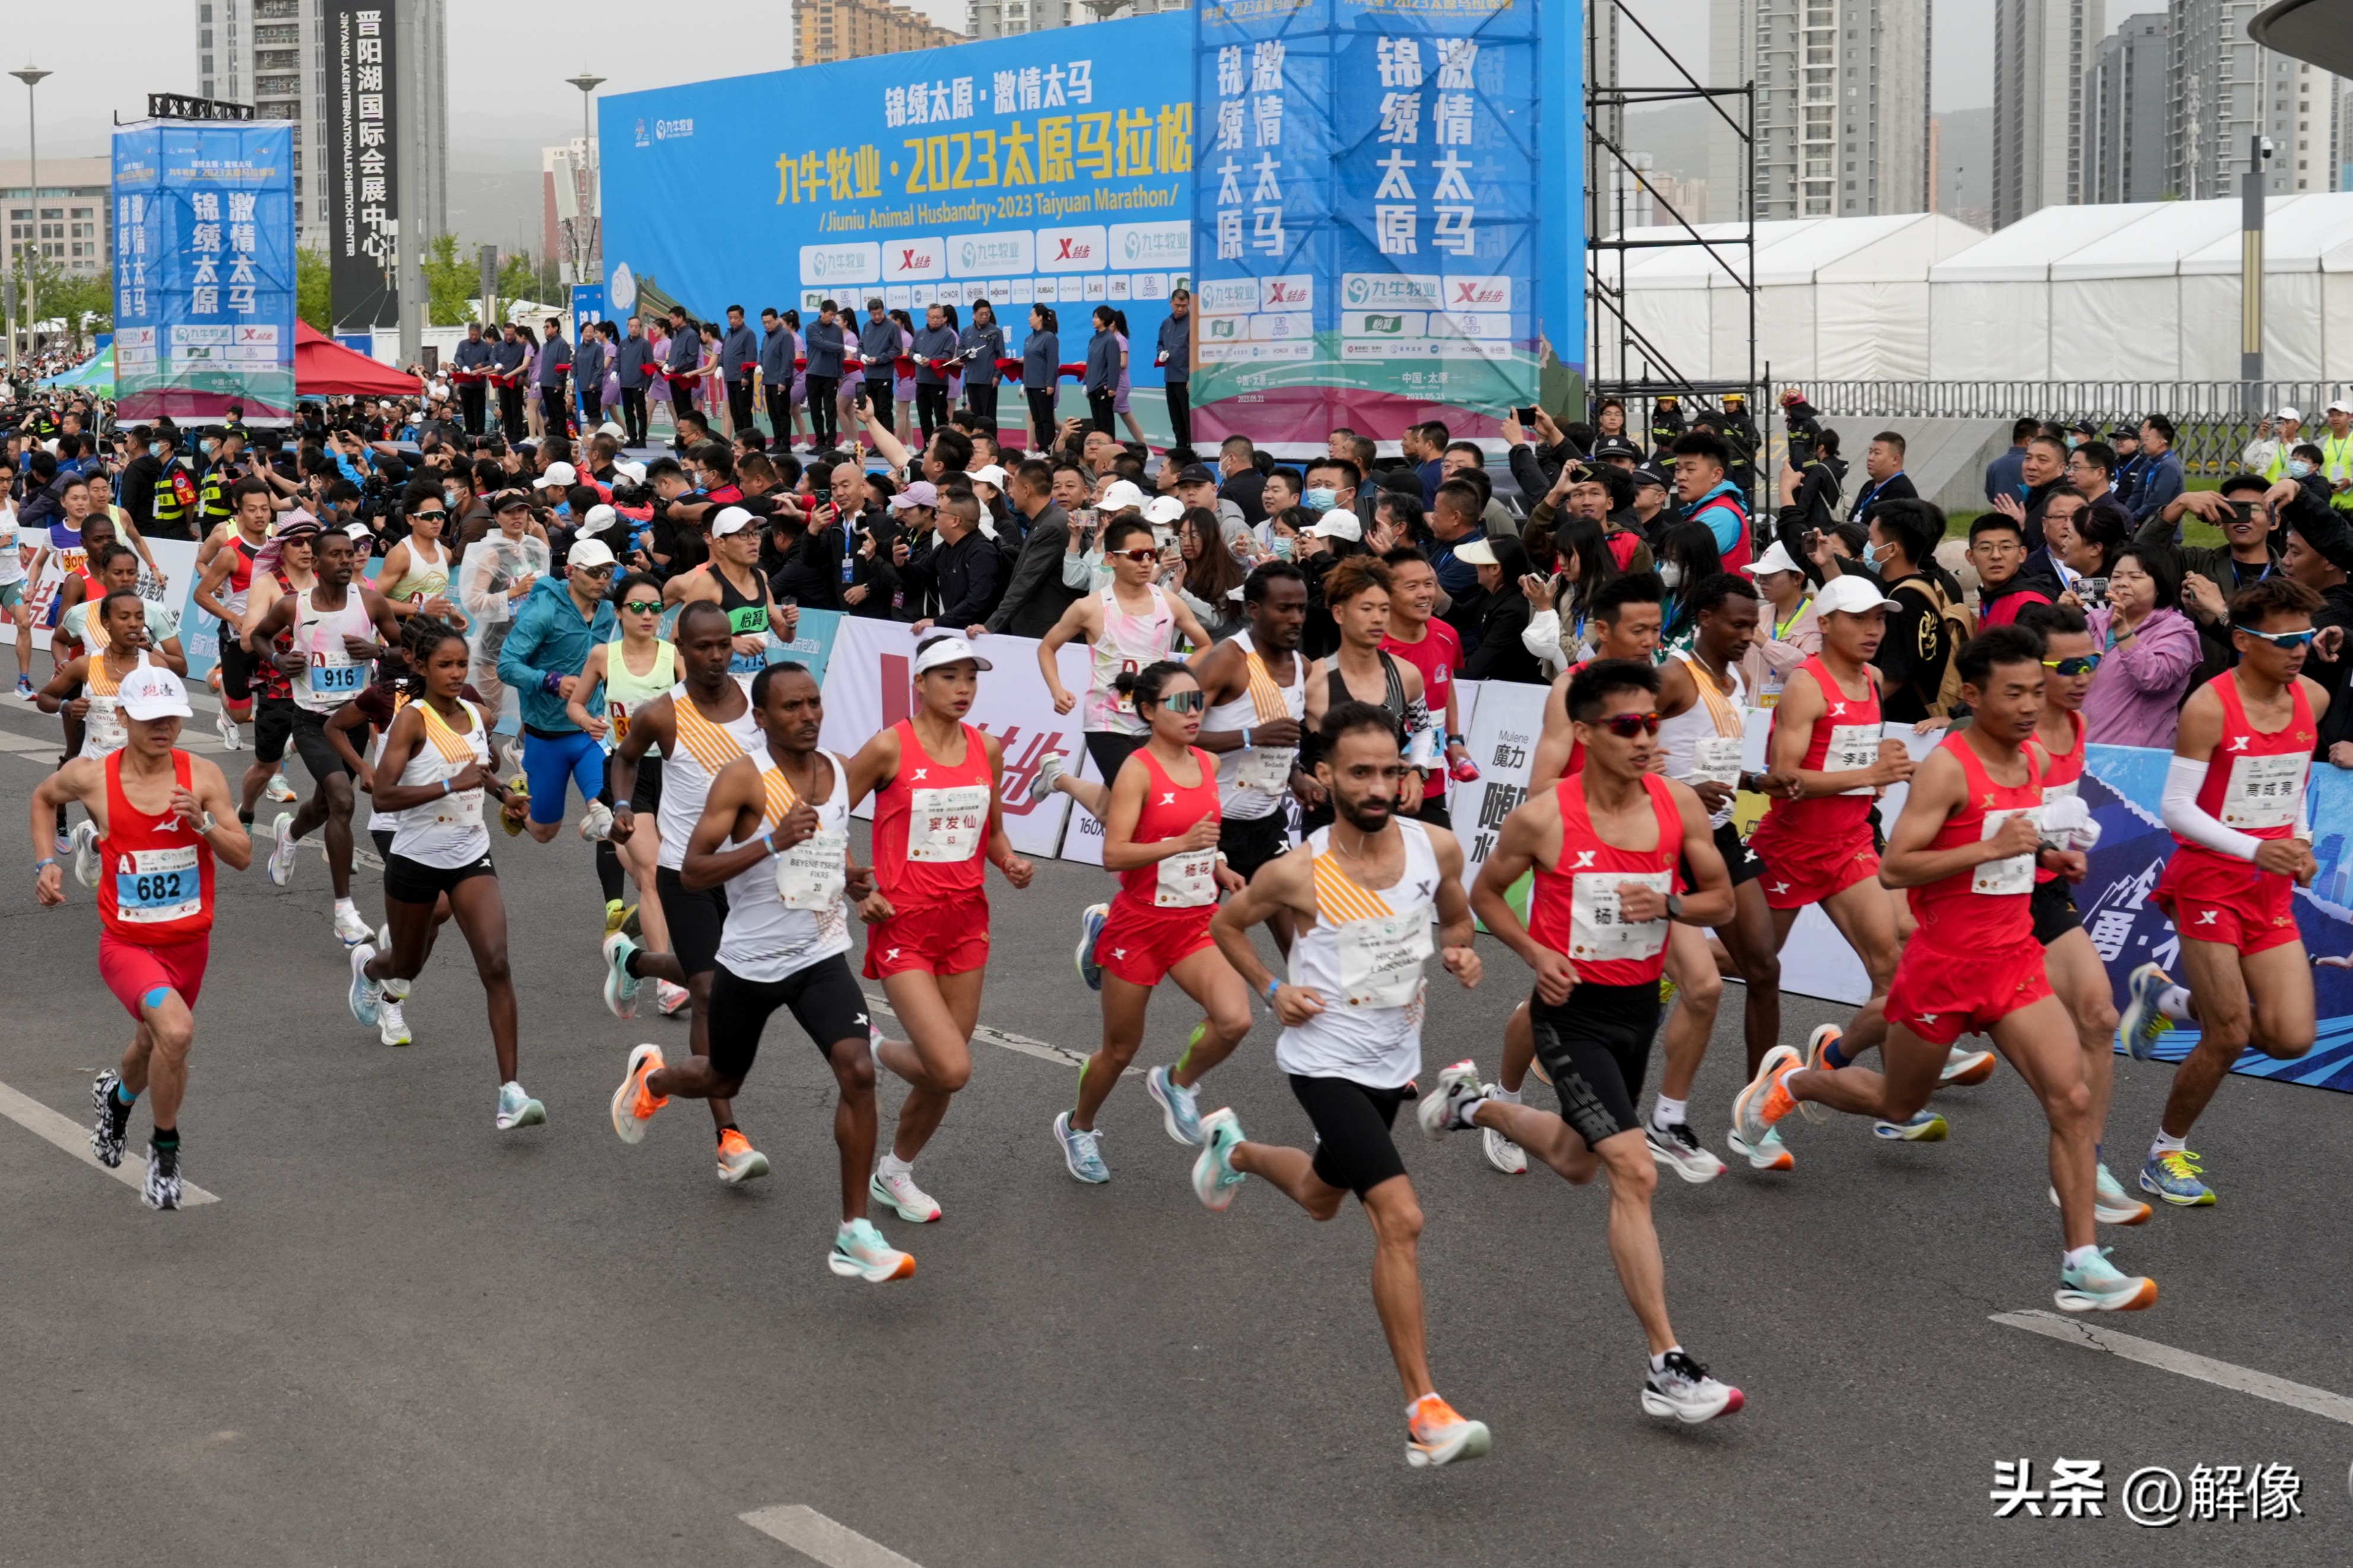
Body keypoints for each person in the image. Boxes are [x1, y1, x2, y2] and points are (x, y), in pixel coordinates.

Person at [1733, 628, 2160, 1315]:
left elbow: (2016, 846)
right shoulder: (1948, 768)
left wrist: (2050, 859)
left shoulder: (2028, 759)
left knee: (2070, 1100)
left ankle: (2080, 1262)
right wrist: (1989, 847)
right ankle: (1790, 1083)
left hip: (2013, 959)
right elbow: (1898, 867)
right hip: (1942, 969)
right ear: (1972, 695)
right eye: (2012, 692)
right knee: (1896, 1105)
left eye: (2033, 690)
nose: (2028, 706)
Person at [1442, 659, 1747, 1420]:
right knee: (1632, 1171)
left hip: (1636, 1007)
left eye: (1652, 723)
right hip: (1567, 1011)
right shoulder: (1545, 816)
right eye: (1626, 726)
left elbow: (1721, 903)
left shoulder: (1677, 806)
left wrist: (1672, 903)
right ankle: (1666, 1365)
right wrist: (1534, 953)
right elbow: (1485, 896)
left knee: (1579, 1163)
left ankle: (1473, 1106)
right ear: (1583, 733)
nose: (1646, 738)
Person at [1191, 701, 1492, 1468]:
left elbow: (1457, 921)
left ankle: (1238, 1149)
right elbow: (1229, 924)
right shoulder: (1298, 869)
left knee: (1325, 1197)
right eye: (1360, 771)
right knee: (1400, 1215)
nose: (1379, 784)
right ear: (1323, 776)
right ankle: (1424, 1407)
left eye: (1390, 768)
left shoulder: (1435, 848)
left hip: (1393, 1062)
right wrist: (1269, 988)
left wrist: (1460, 954)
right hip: (1320, 1057)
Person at [608, 661, 915, 1280]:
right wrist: (771, 842)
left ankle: (854, 1231)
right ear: (762, 717)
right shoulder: (742, 781)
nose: (807, 716)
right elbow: (691, 873)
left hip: (820, 954)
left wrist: (853, 884)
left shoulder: (833, 771)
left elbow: (827, 847)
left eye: (814, 703)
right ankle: (655, 1081)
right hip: (750, 964)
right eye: (791, 708)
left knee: (858, 1071)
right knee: (722, 1079)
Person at [1744, 573, 1989, 1153]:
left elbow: (1849, 751)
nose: (1873, 630)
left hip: (1847, 844)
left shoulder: (1873, 680)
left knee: (1894, 966)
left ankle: (1887, 1095)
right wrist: (1869, 774)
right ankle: (1675, 972)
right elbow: (1783, 783)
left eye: (1879, 619)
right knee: (1747, 961)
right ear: (1824, 625)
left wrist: (1879, 754)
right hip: (1791, 848)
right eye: (1858, 619)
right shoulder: (1806, 685)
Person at [2114, 576, 2329, 1207]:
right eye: (2285, 639)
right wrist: (2253, 847)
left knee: (2290, 1038)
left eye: (2305, 637)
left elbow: (2289, 784)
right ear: (2240, 640)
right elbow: (2175, 808)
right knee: (2230, 1033)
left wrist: (2301, 840)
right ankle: (2163, 1155)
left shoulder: (2310, 699)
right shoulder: (2209, 706)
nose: (2299, 650)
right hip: (2208, 880)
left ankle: (2164, 998)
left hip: (2267, 889)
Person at [32, 663, 252, 1209]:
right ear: (124, 716)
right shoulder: (93, 777)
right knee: (176, 1033)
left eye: (173, 717)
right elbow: (42, 798)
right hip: (127, 945)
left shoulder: (201, 776)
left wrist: (202, 824)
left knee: (153, 1044)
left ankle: (117, 1097)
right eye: (151, 718)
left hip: (189, 945)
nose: (164, 728)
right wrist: (45, 863)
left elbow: (243, 855)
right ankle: (165, 1153)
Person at [841, 635, 1036, 1223]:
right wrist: (859, 886)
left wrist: (1008, 862)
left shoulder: (988, 748)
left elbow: (992, 830)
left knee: (943, 1075)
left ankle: (894, 1171)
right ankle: (877, 1046)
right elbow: (821, 824)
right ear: (919, 684)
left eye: (970, 679)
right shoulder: (887, 748)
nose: (962, 689)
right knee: (950, 1066)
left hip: (966, 922)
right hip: (903, 925)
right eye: (948, 677)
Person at [1051, 660, 1252, 1182]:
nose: (1193, 713)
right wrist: (1179, 845)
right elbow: (1114, 855)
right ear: (1147, 710)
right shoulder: (1137, 770)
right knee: (1120, 1050)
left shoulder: (1207, 763)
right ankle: (1078, 1126)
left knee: (1235, 1020)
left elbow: (1204, 836)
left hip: (1195, 921)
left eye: (1198, 702)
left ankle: (1175, 1082)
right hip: (1139, 925)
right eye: (1180, 704)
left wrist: (1222, 867)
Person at [348, 619, 546, 1131]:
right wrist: (445, 784)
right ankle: (370, 969)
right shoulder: (410, 721)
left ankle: (511, 1092)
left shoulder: (475, 717)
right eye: (446, 665)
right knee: (406, 967)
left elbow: (477, 772)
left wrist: (507, 797)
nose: (457, 673)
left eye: (462, 664)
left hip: (470, 853)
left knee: (497, 965)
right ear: (420, 666)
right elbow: (384, 795)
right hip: (415, 858)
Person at [604, 603, 772, 1176]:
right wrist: (623, 805)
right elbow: (624, 759)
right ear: (683, 649)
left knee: (739, 979)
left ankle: (636, 960)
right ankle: (728, 1137)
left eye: (725, 644)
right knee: (710, 990)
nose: (717, 656)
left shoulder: (758, 703)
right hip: (687, 871)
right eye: (704, 646)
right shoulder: (662, 714)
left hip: (748, 872)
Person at [2012, 602, 2151, 1226]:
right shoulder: (2010, 739)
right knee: (1901, 1067)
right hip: (1981, 898)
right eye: (2063, 665)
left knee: (2097, 1016)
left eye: (2089, 661)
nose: (2081, 675)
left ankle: (2085, 1164)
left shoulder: (2074, 724)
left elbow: (2057, 809)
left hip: (2041, 895)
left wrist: (2068, 841)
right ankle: (1816, 1072)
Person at [1650, 574, 1783, 1154]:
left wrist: (1753, 779)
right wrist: (1681, 788)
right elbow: (1617, 748)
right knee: (1597, 983)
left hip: (1722, 836)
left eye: (1752, 625)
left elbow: (1717, 755)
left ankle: (1757, 1107)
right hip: (1666, 841)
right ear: (1704, 616)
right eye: (1736, 624)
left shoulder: (1734, 678)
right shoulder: (1673, 675)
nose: (1746, 635)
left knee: (1763, 967)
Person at [248, 527, 404, 944]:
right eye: (334, 554)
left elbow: (409, 651)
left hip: (354, 719)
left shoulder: (369, 602)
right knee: (341, 798)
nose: (344, 560)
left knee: (322, 806)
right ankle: (344, 911)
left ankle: (291, 832)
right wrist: (279, 659)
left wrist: (378, 653)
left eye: (350, 554)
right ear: (315, 564)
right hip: (312, 720)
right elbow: (258, 637)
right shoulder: (291, 606)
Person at [564, 573, 686, 1010]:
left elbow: (697, 708)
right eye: (638, 607)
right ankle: (667, 986)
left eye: (656, 607)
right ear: (619, 611)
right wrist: (587, 720)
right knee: (654, 876)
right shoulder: (603, 655)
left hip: (673, 772)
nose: (649, 614)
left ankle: (608, 829)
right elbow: (575, 703)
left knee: (663, 875)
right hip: (625, 770)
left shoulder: (674, 655)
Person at [1038, 513, 1214, 809]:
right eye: (1136, 555)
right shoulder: (1089, 608)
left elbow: (1205, 645)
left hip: (1155, 720)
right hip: (1107, 722)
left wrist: (1174, 679)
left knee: (1109, 811)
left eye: (1151, 554)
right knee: (1140, 801)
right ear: (1111, 559)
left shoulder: (1169, 602)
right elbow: (1047, 647)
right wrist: (1057, 690)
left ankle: (1057, 779)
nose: (1146, 562)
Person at [498, 535, 620, 844]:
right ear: (571, 572)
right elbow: (507, 665)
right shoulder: (543, 612)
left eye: (608, 572)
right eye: (594, 572)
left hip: (590, 730)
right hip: (546, 734)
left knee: (609, 810)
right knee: (544, 833)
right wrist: (551, 682)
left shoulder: (608, 611)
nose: (602, 579)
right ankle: (516, 804)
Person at [1377, 548, 1475, 823]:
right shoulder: (1372, 647)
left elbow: (1447, 688)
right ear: (1386, 592)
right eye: (1412, 587)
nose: (1425, 594)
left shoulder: (1447, 635)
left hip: (1430, 780)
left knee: (1440, 861)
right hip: (1380, 788)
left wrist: (1454, 740)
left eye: (1429, 584)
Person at [2081, 546, 2199, 748]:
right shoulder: (2092, 621)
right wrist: (2061, 622)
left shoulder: (2178, 631)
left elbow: (2154, 678)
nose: (2123, 584)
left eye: (2135, 578)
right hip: (2080, 752)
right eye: (2117, 577)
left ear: (2159, 586)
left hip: (2137, 758)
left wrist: (2123, 632)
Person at [1157, 289, 1192, 450]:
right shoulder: (1166, 323)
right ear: (1171, 303)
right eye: (1177, 305)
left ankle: (1190, 450)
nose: (1180, 309)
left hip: (1185, 379)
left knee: (1188, 419)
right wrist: (1161, 354)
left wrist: (1193, 378)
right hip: (1170, 377)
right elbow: (1160, 343)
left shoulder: (1193, 322)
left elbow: (1197, 351)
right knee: (1176, 419)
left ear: (1189, 304)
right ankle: (1180, 449)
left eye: (1184, 306)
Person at [615, 317, 655, 449]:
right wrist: (615, 372)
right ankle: (632, 438)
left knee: (641, 413)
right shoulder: (623, 344)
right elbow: (618, 361)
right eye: (631, 326)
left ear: (640, 327)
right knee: (628, 412)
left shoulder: (645, 344)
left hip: (638, 384)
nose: (634, 329)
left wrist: (646, 385)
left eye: (637, 326)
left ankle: (642, 439)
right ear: (627, 327)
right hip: (624, 384)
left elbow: (650, 366)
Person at [1082, 306, 1120, 435]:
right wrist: (1086, 382)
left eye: (1097, 317)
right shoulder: (1093, 340)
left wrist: (1112, 387)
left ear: (1104, 319)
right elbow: (1090, 363)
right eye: (1094, 317)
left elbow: (1113, 365)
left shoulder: (1110, 340)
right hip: (1093, 387)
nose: (1094, 320)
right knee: (1097, 424)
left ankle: (1110, 451)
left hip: (1103, 388)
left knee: (1106, 424)